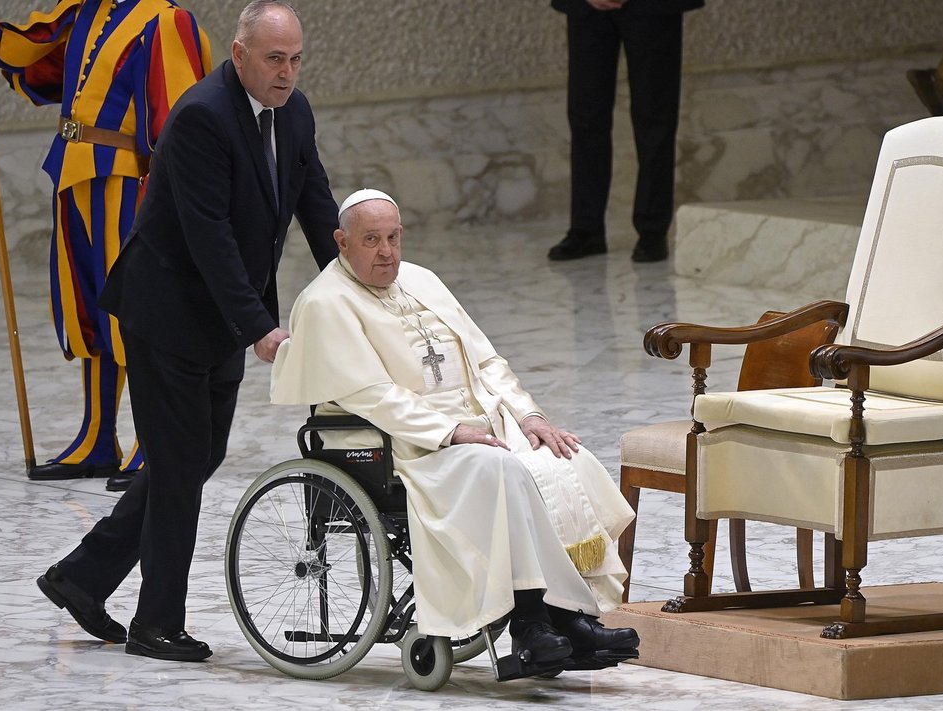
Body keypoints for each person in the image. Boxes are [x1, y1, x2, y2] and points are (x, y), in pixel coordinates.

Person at [35, 0, 338, 662]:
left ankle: (80, 576)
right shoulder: (202, 116)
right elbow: (210, 238)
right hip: (169, 311)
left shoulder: (296, 112)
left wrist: (365, 288)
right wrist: (260, 327)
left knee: (196, 457)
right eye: (273, 59)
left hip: (221, 317)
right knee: (176, 469)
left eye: (295, 60)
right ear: (239, 55)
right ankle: (156, 622)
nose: (286, 74)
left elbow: (316, 204)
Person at [271, 189, 640, 671]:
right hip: (407, 447)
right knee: (501, 469)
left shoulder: (421, 279)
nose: (387, 252)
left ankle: (566, 614)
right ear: (342, 241)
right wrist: (449, 432)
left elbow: (486, 358)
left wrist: (529, 416)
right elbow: (372, 395)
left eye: (393, 238)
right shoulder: (325, 302)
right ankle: (530, 625)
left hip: (480, 425)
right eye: (371, 240)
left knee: (560, 457)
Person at [0, 0, 212, 491]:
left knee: (138, 313)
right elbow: (41, 59)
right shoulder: (87, 10)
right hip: (74, 173)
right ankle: (97, 438)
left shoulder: (165, 19)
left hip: (131, 181)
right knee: (87, 308)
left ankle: (152, 442)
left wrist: (172, 197)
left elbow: (179, 115)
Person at [547, 0, 704, 263]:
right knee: (586, 116)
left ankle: (652, 231)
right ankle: (586, 228)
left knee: (655, 118)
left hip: (651, 8)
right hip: (587, 6)